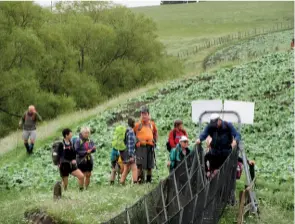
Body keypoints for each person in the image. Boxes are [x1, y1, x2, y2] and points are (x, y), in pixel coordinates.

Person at [196, 113, 241, 178]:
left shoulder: (228, 125)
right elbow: (204, 134)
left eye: (215, 124)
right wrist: (199, 139)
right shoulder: (210, 126)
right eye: (213, 124)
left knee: (225, 171)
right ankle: (207, 173)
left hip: (226, 153)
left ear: (219, 120)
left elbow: (237, 135)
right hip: (215, 152)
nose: (215, 126)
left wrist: (235, 140)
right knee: (204, 158)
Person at [134, 106, 158, 184]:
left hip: (150, 146)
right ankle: (140, 182)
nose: (143, 115)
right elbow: (132, 134)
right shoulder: (137, 125)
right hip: (141, 147)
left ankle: (149, 181)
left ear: (148, 114)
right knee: (140, 165)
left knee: (149, 166)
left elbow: (155, 133)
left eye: (145, 114)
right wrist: (136, 142)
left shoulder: (152, 124)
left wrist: (155, 141)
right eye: (142, 114)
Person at [119, 117, 138, 185]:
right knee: (134, 168)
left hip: (124, 153)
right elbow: (130, 144)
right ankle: (135, 183)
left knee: (126, 168)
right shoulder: (130, 132)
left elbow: (125, 142)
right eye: (134, 122)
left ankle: (121, 182)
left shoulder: (126, 130)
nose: (135, 124)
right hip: (129, 153)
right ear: (132, 123)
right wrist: (131, 155)